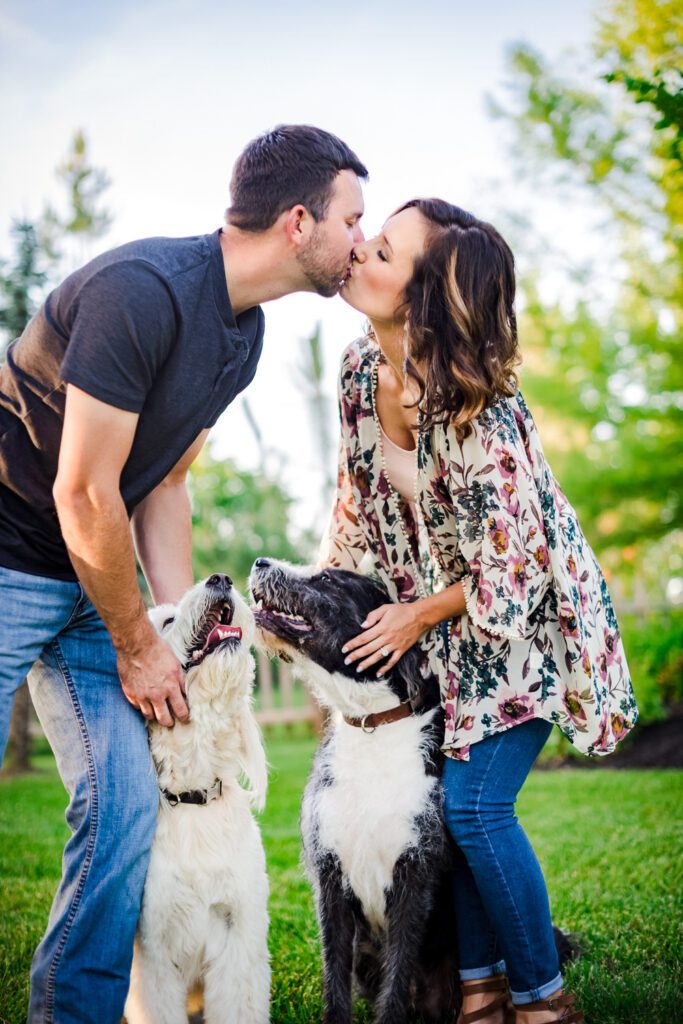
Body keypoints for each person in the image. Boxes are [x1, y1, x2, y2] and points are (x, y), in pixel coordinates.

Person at [0, 123, 367, 1023]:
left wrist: (174, 629)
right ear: (296, 221)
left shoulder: (243, 333)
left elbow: (163, 477)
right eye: (353, 218)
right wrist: (136, 641)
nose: (363, 238)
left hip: (103, 576)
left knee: (125, 816)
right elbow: (83, 491)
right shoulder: (144, 292)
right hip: (14, 555)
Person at [320, 198, 637, 1024]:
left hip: (529, 626)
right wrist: (323, 609)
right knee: (445, 808)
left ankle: (543, 999)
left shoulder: (483, 411)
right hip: (445, 636)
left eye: (382, 251)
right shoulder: (360, 375)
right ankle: (479, 993)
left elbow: (516, 565)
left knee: (472, 806)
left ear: (424, 297)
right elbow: (353, 511)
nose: (358, 252)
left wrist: (418, 616)